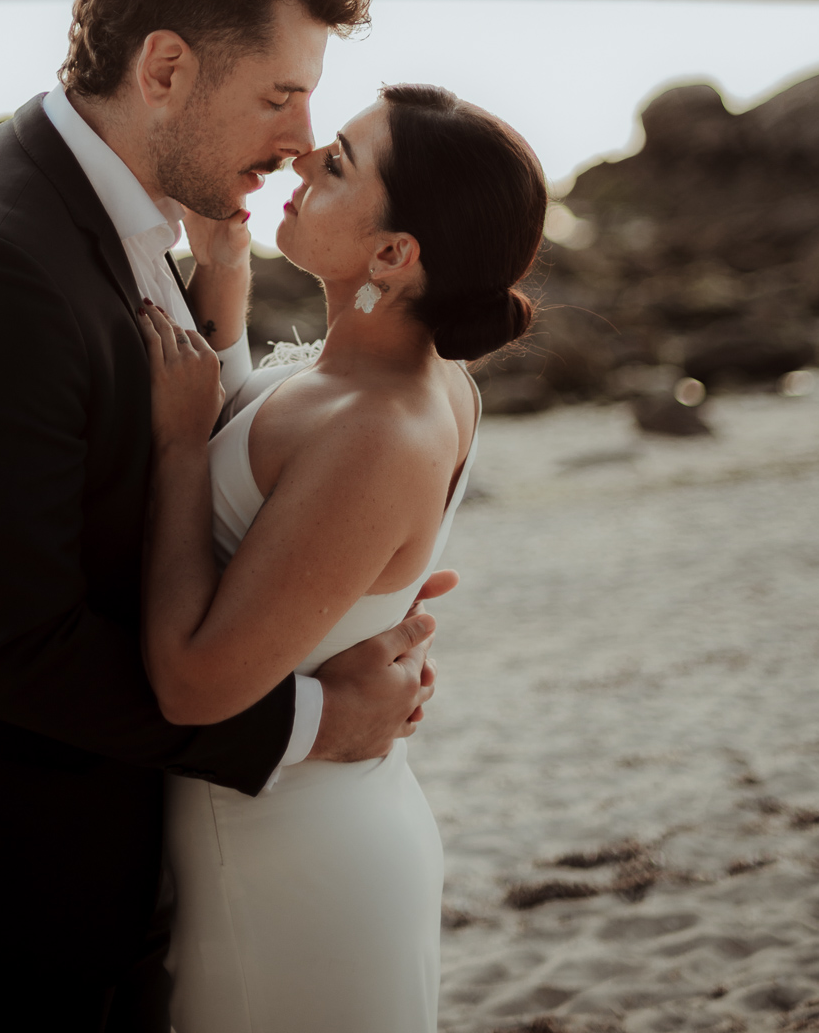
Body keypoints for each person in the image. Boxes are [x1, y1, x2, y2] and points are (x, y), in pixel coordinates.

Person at [0, 0, 450, 1032]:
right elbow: (18, 652)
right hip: (0, 893)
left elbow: (186, 457)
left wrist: (337, 605)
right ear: (163, 70)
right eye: (280, 96)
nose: (302, 138)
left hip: (117, 858)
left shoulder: (136, 218)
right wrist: (314, 720)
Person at [139, 82, 546, 1032]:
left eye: (339, 164)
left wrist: (173, 448)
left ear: (393, 255)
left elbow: (195, 685)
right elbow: (268, 479)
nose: (305, 156)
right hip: (311, 822)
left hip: (286, 864)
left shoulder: (378, 429)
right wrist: (225, 293)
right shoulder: (400, 377)